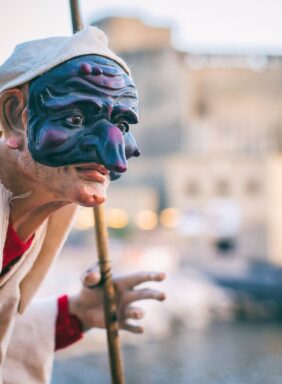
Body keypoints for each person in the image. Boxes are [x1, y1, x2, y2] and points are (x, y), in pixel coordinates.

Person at [0, 26, 165, 383]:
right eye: (75, 119)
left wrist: (75, 315)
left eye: (122, 125)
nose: (116, 159)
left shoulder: (54, 202)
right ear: (15, 117)